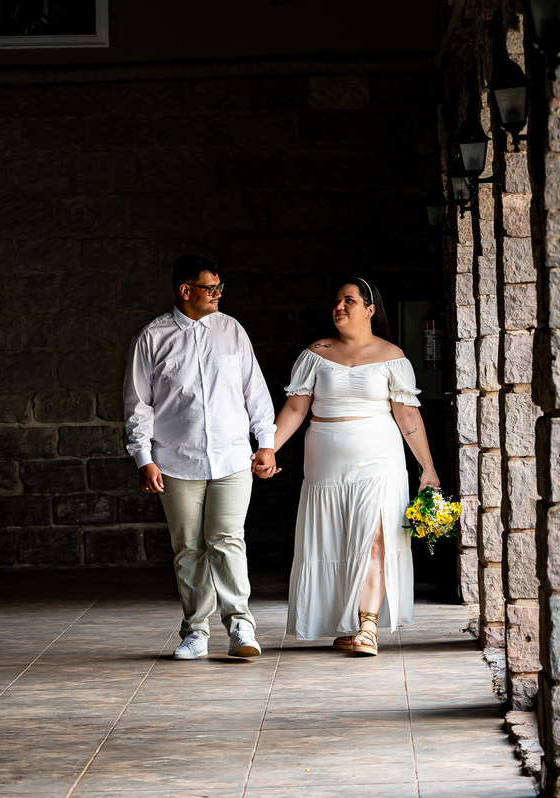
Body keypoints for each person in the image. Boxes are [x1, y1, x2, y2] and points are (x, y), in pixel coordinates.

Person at [264, 278, 439, 656]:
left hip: (379, 460)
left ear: (370, 310)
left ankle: (368, 625)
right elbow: (296, 408)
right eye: (337, 301)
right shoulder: (316, 353)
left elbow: (407, 415)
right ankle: (346, 622)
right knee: (336, 539)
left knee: (375, 537)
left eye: (350, 301)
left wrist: (427, 468)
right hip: (324, 464)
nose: (340, 307)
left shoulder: (392, 356)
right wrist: (268, 448)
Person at [123, 255, 278, 660]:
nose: (218, 295)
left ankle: (241, 626)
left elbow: (255, 392)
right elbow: (138, 404)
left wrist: (266, 442)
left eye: (220, 287)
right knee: (188, 547)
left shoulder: (232, 331)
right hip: (175, 461)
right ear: (185, 290)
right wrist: (144, 458)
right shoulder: (152, 337)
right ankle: (195, 632)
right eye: (211, 288)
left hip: (231, 458)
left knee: (227, 540)